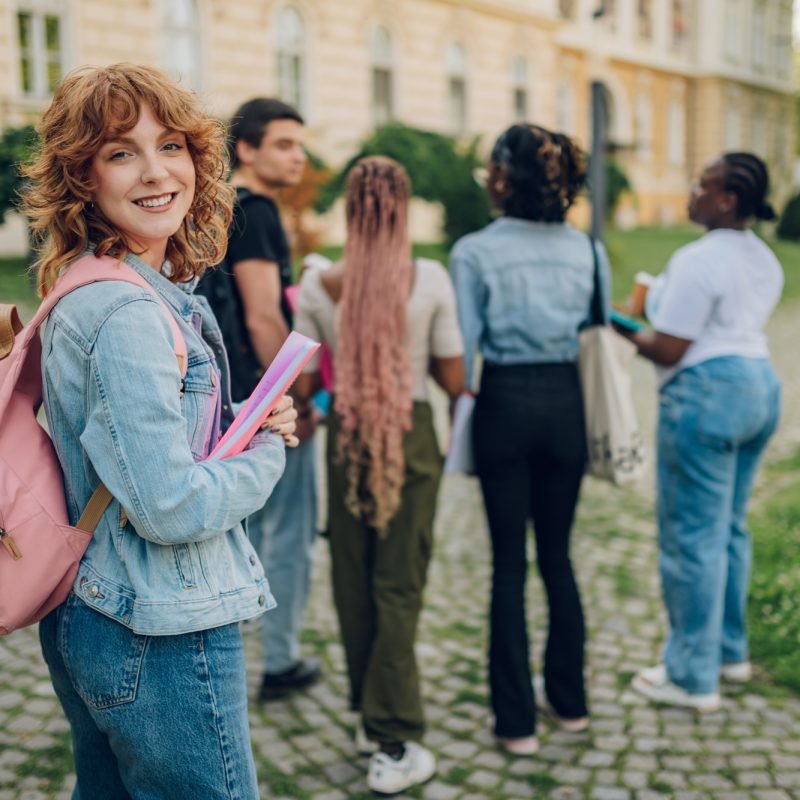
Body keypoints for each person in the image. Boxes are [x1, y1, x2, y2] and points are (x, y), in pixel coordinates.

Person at [22, 63, 298, 798]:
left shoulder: (92, 281)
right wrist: (269, 452)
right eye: (121, 152)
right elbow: (169, 504)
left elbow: (140, 445)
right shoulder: (127, 313)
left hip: (97, 610)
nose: (155, 172)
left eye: (171, 145)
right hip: (158, 627)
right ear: (82, 176)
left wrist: (243, 421)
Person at [293, 157, 465, 794]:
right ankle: (394, 739)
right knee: (400, 581)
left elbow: (305, 384)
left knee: (353, 575)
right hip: (410, 432)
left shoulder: (319, 285)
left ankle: (371, 715)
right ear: (403, 208)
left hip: (347, 434)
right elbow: (452, 379)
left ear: (349, 210)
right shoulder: (431, 279)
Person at [451, 124, 609, 755]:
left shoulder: (474, 251)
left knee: (508, 565)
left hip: (506, 405)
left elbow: (463, 355)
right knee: (559, 556)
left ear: (501, 177)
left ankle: (515, 722)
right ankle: (569, 704)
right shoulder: (588, 250)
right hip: (569, 404)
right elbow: (596, 332)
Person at [615, 152, 783, 712]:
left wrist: (615, 322)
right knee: (730, 529)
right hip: (759, 386)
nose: (692, 192)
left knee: (693, 539)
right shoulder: (765, 258)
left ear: (728, 199)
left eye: (702, 185)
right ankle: (729, 653)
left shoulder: (697, 259)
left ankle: (690, 677)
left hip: (706, 395)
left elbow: (667, 346)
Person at [197, 97, 322, 700]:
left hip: (226, 398)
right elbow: (266, 316)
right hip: (262, 400)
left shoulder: (220, 209)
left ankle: (232, 638)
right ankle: (282, 660)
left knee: (243, 526)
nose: (297, 156)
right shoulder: (259, 213)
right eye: (283, 144)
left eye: (299, 144)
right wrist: (299, 397)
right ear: (246, 149)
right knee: (290, 531)